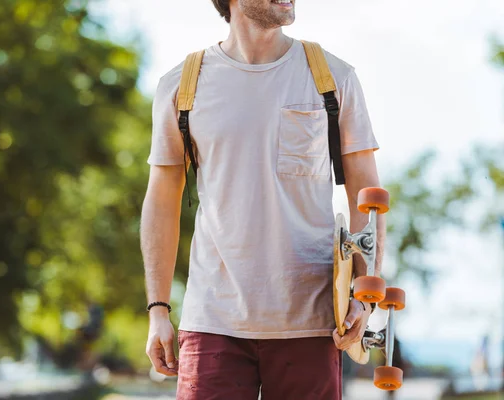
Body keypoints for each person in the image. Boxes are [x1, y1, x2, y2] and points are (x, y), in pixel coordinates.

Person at [140, 0, 386, 398]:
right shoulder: (182, 85)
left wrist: (365, 295)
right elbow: (162, 202)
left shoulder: (333, 77)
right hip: (213, 321)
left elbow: (368, 200)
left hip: (313, 322)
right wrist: (158, 311)